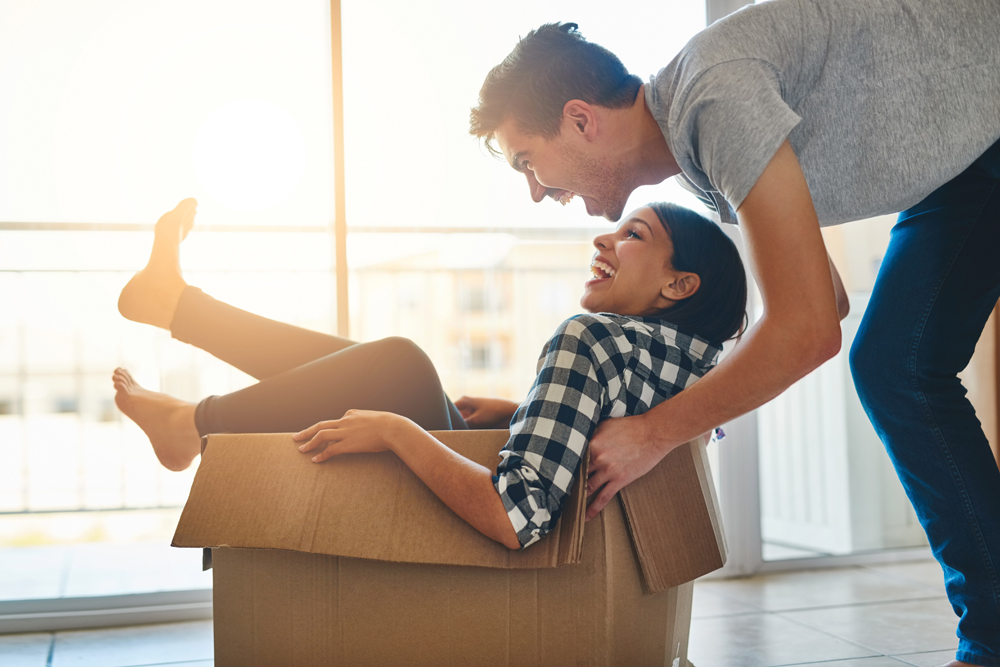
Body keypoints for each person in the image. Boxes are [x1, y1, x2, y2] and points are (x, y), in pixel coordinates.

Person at [468, 4, 1000, 665]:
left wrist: (654, 432)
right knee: (895, 364)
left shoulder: (713, 95)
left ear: (580, 120)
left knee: (895, 363)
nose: (534, 191)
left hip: (988, 121)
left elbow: (807, 327)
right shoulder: (703, 162)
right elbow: (826, 298)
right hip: (969, 165)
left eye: (527, 160)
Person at [113, 197, 747, 550]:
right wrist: (524, 412)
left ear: (678, 283)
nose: (603, 240)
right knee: (386, 370)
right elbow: (592, 442)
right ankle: (177, 318)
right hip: (583, 541)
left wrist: (395, 431)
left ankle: (192, 418)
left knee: (398, 369)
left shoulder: (593, 341)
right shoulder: (695, 369)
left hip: (483, 539)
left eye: (632, 234)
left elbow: (515, 515)